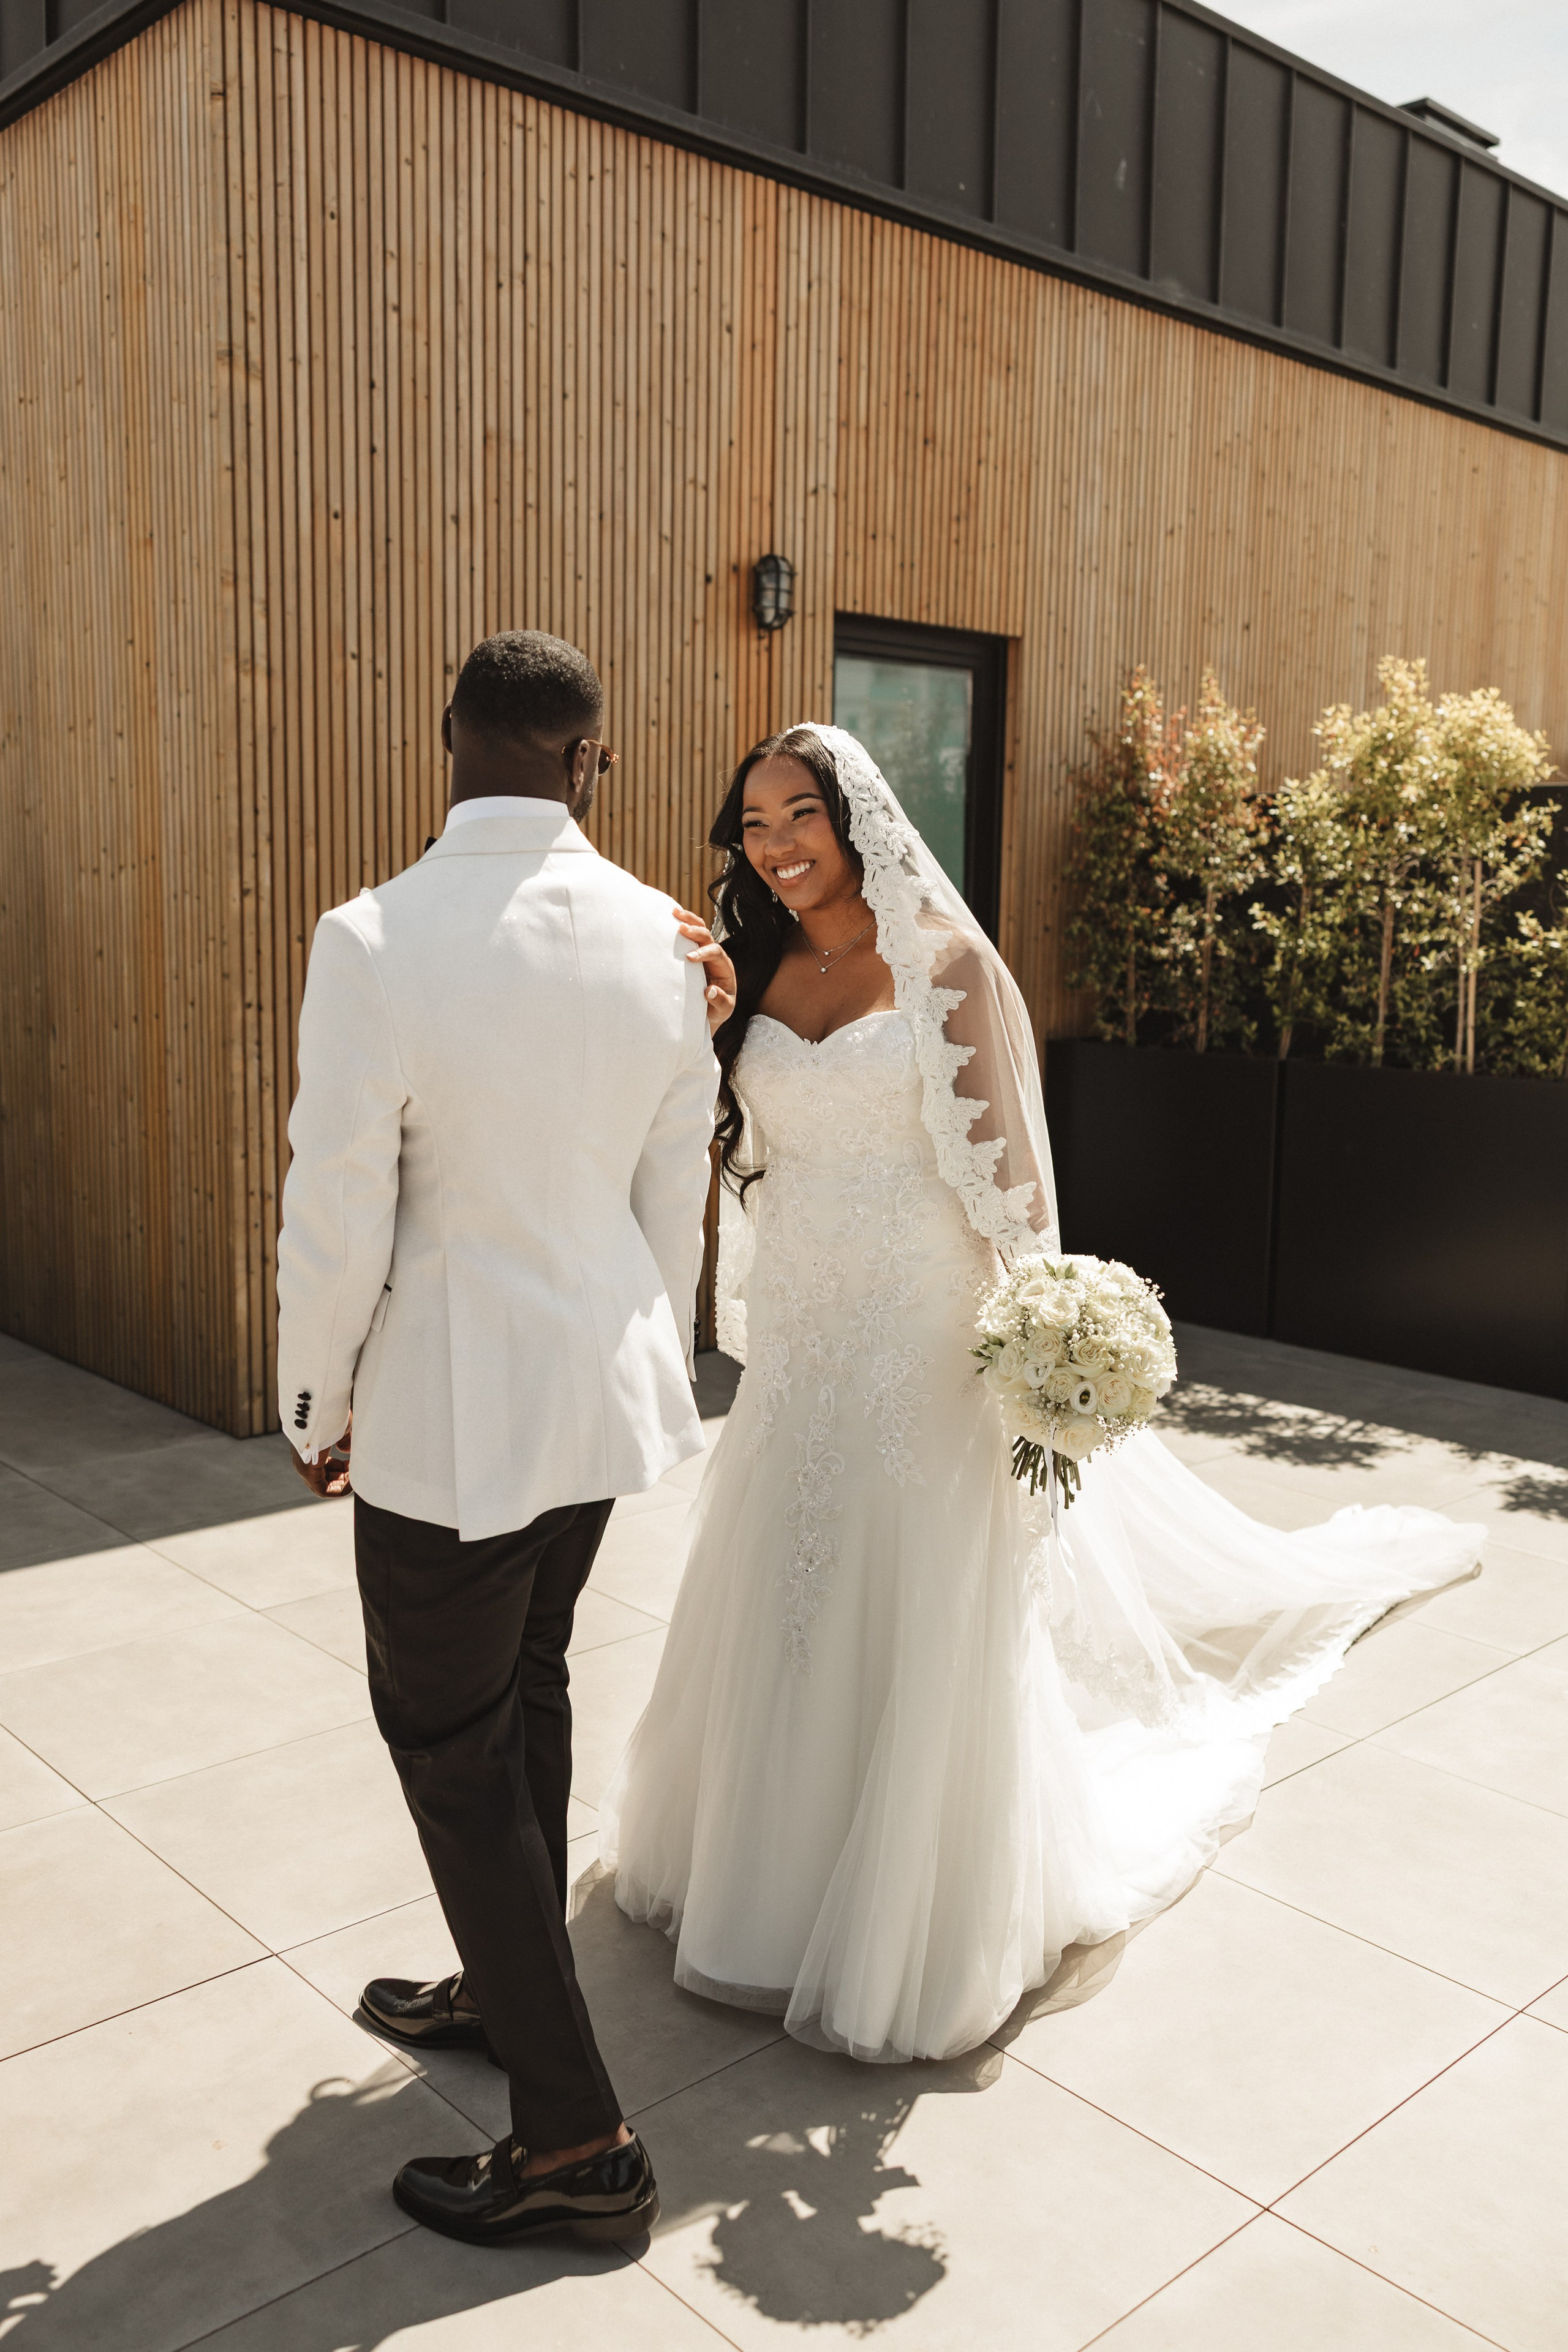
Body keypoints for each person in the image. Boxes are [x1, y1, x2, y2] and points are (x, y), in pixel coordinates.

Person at [600, 723, 1483, 2064]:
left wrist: (1048, 1344)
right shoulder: (756, 963)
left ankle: (909, 1920)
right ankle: (760, 1875)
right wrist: (700, 1015)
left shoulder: (946, 968)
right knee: (785, 1587)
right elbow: (731, 1147)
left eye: (798, 817)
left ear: (859, 821)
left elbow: (1010, 1192)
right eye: (753, 825)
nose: (772, 848)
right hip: (803, 1335)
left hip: (918, 1338)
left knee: (913, 1606)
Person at [275, 632, 725, 2244]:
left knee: (452, 1752)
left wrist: (313, 1399)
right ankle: (498, 1982)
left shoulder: (373, 936)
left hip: (450, 1416)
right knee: (521, 1691)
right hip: (597, 1391)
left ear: (446, 735)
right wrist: (651, 1356)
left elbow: (337, 1206)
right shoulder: (668, 942)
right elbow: (674, 1187)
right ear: (590, 758)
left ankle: (577, 2144)